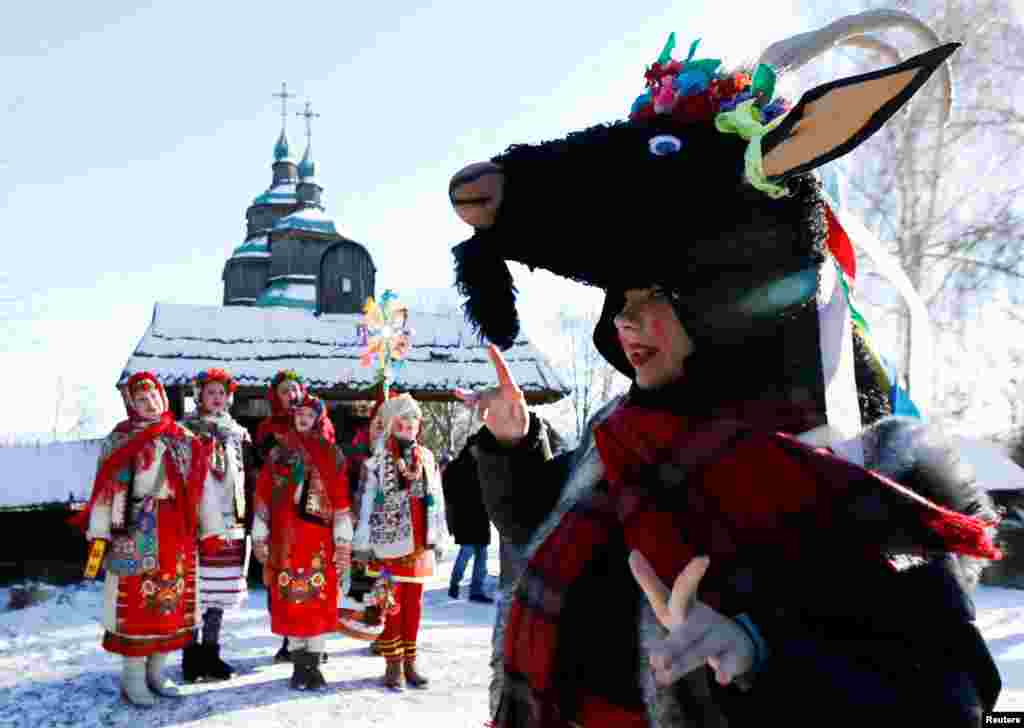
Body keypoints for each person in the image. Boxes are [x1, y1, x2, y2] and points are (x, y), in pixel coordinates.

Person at [447, 15, 1002, 727]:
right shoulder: (626, 430)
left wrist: (758, 655)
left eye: (656, 297)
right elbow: (541, 528)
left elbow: (942, 693)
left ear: (725, 307)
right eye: (622, 298)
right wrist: (515, 444)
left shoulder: (868, 468)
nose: (624, 321)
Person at [70, 372, 226, 707]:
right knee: (137, 602)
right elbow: (104, 490)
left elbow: (203, 488)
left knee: (168, 600)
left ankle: (157, 671)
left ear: (163, 398)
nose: (149, 402)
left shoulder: (183, 438)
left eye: (153, 396)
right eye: (141, 399)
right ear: (131, 404)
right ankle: (132, 676)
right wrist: (99, 531)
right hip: (133, 527)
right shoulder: (119, 440)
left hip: (176, 531)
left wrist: (211, 528)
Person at [251, 393, 353, 690]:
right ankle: (299, 664)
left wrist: (343, 540)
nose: (304, 418)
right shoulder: (278, 454)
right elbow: (264, 494)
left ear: (319, 418)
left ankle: (314, 663)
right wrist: (260, 532)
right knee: (292, 602)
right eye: (299, 413)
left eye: (310, 414)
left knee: (318, 602)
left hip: (320, 542)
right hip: (286, 540)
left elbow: (341, 500)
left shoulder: (331, 454)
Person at [352, 393, 446, 689]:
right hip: (388, 541)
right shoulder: (378, 460)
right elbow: (367, 500)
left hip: (419, 541)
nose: (408, 428)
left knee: (414, 604)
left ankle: (410, 660)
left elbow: (437, 500)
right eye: (402, 423)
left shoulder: (427, 458)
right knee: (390, 602)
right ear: (392, 425)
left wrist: (438, 536)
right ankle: (393, 663)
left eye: (413, 423)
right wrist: (363, 541)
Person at [180, 368, 251, 682]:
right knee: (196, 591)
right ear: (199, 397)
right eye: (210, 392)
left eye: (221, 393)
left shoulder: (236, 432)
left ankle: (211, 653)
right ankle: (190, 657)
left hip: (231, 522)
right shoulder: (187, 431)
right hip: (198, 521)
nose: (216, 398)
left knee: (218, 593)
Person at [442, 432, 494, 603]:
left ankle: (476, 591)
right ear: (471, 447)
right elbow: (448, 491)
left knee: (482, 554)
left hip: (481, 517)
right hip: (464, 516)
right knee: (467, 551)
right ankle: (454, 584)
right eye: (477, 448)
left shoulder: (484, 466)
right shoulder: (457, 466)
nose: (479, 451)